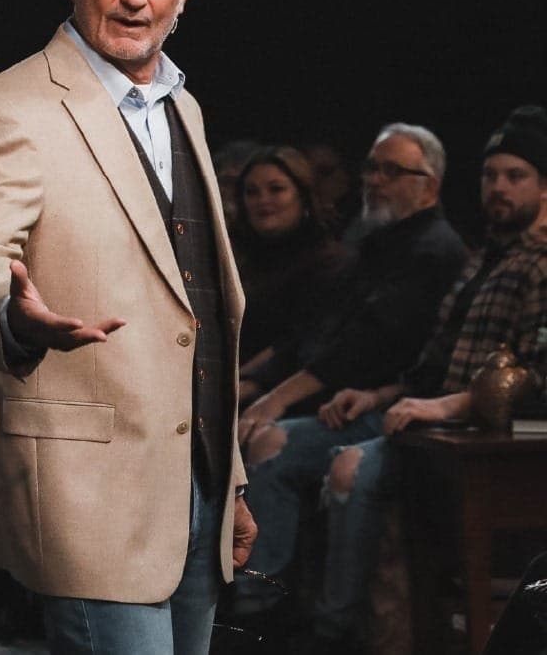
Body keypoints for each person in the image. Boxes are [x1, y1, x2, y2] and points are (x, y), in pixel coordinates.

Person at [0, 0, 256, 654]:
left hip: (199, 483)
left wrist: (231, 479)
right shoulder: (10, 107)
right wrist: (13, 317)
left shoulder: (185, 107)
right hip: (89, 491)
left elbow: (200, 316)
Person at [233, 106, 547, 654]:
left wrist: (441, 405)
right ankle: (261, 611)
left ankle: (328, 632)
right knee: (269, 445)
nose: (498, 187)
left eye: (515, 176)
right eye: (492, 175)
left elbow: (527, 373)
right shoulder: (477, 260)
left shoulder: (474, 254)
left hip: (474, 432)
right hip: (414, 413)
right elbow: (416, 357)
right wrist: (378, 393)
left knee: (340, 464)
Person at [236, 123, 468, 433]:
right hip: (329, 398)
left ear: (430, 188)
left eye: (392, 171)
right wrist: (248, 384)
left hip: (376, 405)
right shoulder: (372, 246)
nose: (374, 180)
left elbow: (367, 343)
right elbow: (311, 332)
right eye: (371, 168)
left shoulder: (434, 250)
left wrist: (276, 398)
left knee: (266, 442)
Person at [230, 145, 350, 401]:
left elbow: (299, 343)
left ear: (303, 196)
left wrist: (236, 383)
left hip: (284, 394)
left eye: (276, 189)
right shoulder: (237, 259)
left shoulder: (331, 261)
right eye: (252, 192)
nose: (263, 200)